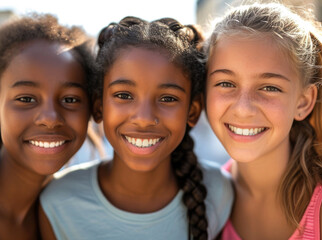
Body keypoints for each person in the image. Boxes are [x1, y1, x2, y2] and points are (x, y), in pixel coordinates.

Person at [39, 17, 233, 240]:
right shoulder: (58, 202)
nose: (144, 118)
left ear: (192, 111)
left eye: (168, 98)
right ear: (99, 106)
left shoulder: (218, 192)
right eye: (123, 95)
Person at [204, 2, 322, 239]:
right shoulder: (206, 201)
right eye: (226, 83)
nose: (243, 109)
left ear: (303, 102)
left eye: (270, 87)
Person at [0, 14, 96, 240]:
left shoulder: (69, 214)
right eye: (26, 99)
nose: (50, 118)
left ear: (92, 110)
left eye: (71, 99)